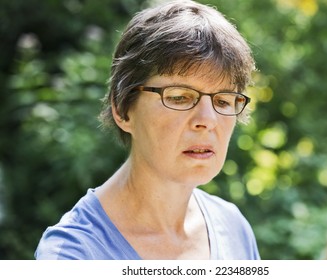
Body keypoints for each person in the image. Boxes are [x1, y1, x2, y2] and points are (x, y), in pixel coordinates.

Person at [35, 0, 260, 260]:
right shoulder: (73, 255)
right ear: (122, 109)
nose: (208, 120)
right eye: (179, 97)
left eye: (223, 101)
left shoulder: (233, 228)